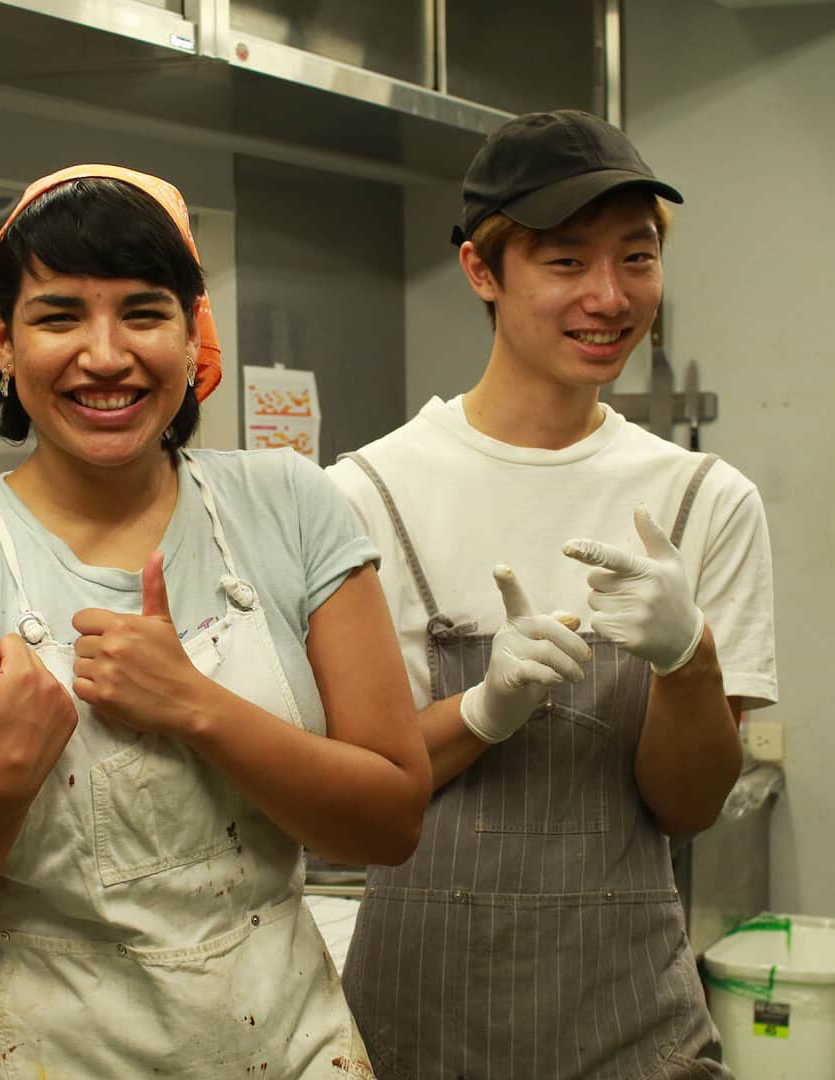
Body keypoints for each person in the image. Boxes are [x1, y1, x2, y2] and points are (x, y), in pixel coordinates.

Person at [0, 164, 431, 1078]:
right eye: (59, 315)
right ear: (3, 337)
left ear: (191, 329)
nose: (106, 355)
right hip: (44, 1053)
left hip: (283, 1042)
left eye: (144, 312)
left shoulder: (290, 507)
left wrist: (197, 707)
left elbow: (390, 823)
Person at [327, 111, 777, 1079]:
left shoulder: (705, 501)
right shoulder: (367, 494)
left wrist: (685, 658)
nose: (609, 297)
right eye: (566, 262)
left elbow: (688, 805)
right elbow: (353, 794)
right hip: (410, 1028)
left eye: (637, 258)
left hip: (630, 1028)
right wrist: (484, 710)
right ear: (482, 272)